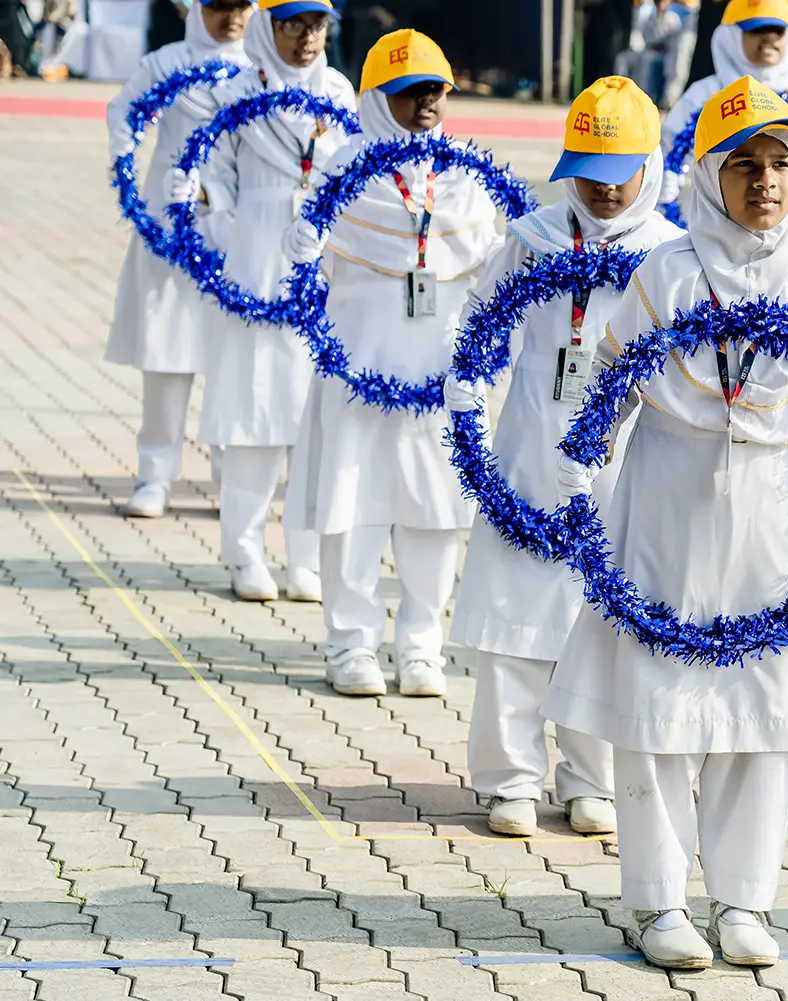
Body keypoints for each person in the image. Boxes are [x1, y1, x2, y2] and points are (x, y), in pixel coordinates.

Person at [540, 76, 788, 970]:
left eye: (780, 163)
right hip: (666, 508)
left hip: (774, 523)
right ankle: (658, 900)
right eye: (743, 164)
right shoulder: (667, 271)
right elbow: (611, 386)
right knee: (656, 711)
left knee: (759, 714)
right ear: (707, 175)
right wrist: (579, 464)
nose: (765, 181)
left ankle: (743, 899)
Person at [445, 76, 680, 838]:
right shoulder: (533, 236)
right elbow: (481, 320)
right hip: (528, 452)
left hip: (623, 461)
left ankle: (591, 779)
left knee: (601, 625)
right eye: (589, 173)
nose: (604, 190)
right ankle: (509, 777)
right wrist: (465, 386)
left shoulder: (669, 253)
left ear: (651, 166)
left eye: (621, 174)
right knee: (513, 625)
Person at [278, 30, 495, 697]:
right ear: (375, 98)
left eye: (435, 89)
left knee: (437, 512)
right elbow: (303, 255)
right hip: (358, 373)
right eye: (408, 91)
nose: (426, 102)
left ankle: (422, 647)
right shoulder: (342, 171)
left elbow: (492, 263)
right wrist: (298, 238)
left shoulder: (465, 174)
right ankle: (350, 644)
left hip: (439, 377)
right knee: (353, 510)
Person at [169, 0, 356, 601]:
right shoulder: (237, 92)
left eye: (316, 25)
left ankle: (305, 558)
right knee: (254, 419)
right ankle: (244, 552)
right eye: (291, 24)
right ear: (265, 28)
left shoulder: (338, 92)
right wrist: (229, 231)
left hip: (322, 271)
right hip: (255, 260)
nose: (306, 38)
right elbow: (214, 174)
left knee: (313, 423)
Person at [104, 0, 255, 520]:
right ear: (195, 8)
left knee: (231, 361)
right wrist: (125, 162)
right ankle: (155, 474)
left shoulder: (260, 71)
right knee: (165, 358)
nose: (231, 17)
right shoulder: (165, 62)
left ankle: (231, 480)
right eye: (219, 6)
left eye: (242, 6)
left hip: (236, 233)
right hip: (170, 231)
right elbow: (123, 113)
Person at [658, 0, 788, 207]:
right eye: (757, 30)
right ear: (731, 36)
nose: (769, 38)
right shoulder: (704, 95)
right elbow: (669, 157)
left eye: (778, 30)